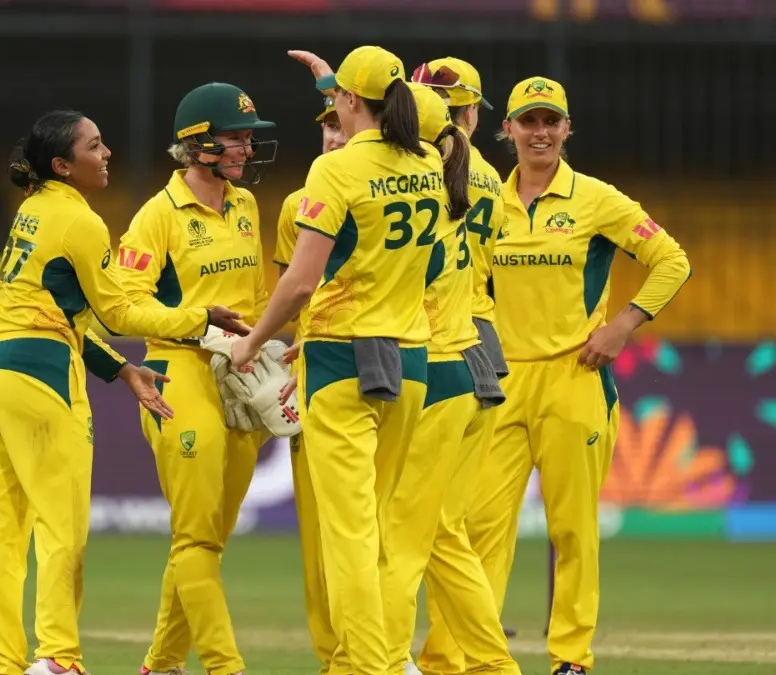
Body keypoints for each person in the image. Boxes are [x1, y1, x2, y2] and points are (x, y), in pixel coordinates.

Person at [0, 109, 251, 675]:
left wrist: (121, 369)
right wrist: (200, 320)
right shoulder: (81, 222)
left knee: (0, 536)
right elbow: (117, 310)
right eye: (94, 146)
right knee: (60, 526)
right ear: (63, 165)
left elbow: (60, 308)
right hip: (39, 372)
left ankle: (5, 663)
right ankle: (58, 658)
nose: (108, 153)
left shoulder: (32, 212)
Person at [461, 76, 691, 675]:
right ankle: (475, 656)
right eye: (528, 122)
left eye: (550, 122)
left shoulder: (597, 200)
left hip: (575, 378)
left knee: (572, 530)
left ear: (567, 129)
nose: (540, 132)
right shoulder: (486, 202)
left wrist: (621, 327)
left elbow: (672, 260)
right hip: (501, 382)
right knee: (480, 528)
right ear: (506, 129)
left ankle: (571, 659)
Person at [231, 45, 440, 675]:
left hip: (341, 358)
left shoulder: (336, 172)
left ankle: (371, 667)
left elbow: (298, 284)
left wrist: (250, 341)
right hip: (411, 361)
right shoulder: (427, 160)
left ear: (349, 102)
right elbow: (374, 110)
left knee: (346, 536)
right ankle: (384, 660)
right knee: (379, 526)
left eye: (337, 99)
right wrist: (332, 80)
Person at [116, 81, 277, 675]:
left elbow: (256, 298)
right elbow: (122, 308)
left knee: (204, 541)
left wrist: (264, 351)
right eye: (235, 138)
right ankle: (223, 666)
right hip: (177, 368)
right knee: (198, 539)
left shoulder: (244, 205)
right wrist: (199, 320)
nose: (245, 148)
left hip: (239, 372)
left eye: (246, 138)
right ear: (199, 144)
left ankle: (159, 665)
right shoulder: (155, 217)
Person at [375, 81, 521, 675]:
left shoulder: (411, 186)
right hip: (474, 354)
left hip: (428, 365)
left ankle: (382, 663)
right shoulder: (478, 175)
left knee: (398, 541)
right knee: (444, 534)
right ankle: (492, 665)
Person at [270, 85, 347, 675]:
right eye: (326, 128)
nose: (333, 137)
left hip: (383, 364)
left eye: (343, 126)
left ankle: (383, 652)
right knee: (321, 534)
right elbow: (289, 295)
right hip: (317, 372)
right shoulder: (297, 204)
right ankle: (335, 659)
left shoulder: (388, 187)